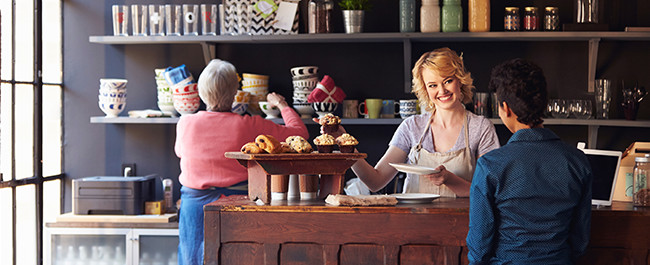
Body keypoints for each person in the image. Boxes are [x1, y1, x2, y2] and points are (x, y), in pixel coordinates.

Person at [175, 59, 309, 265]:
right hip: (240, 206)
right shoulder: (249, 124)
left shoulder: (185, 123)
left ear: (201, 92)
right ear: (235, 92)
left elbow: (180, 153)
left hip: (194, 208)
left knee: (194, 260)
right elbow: (300, 134)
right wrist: (281, 104)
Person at [321, 47, 500, 197]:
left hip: (465, 226)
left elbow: (490, 191)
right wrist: (344, 142)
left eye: (448, 81)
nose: (442, 90)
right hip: (414, 225)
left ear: (460, 81)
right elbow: (375, 181)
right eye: (433, 85)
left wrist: (449, 180)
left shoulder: (481, 128)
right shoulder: (412, 127)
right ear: (425, 89)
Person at [466, 58, 592, 264]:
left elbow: (480, 247)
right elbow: (580, 242)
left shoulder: (491, 165)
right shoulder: (577, 162)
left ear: (505, 108)